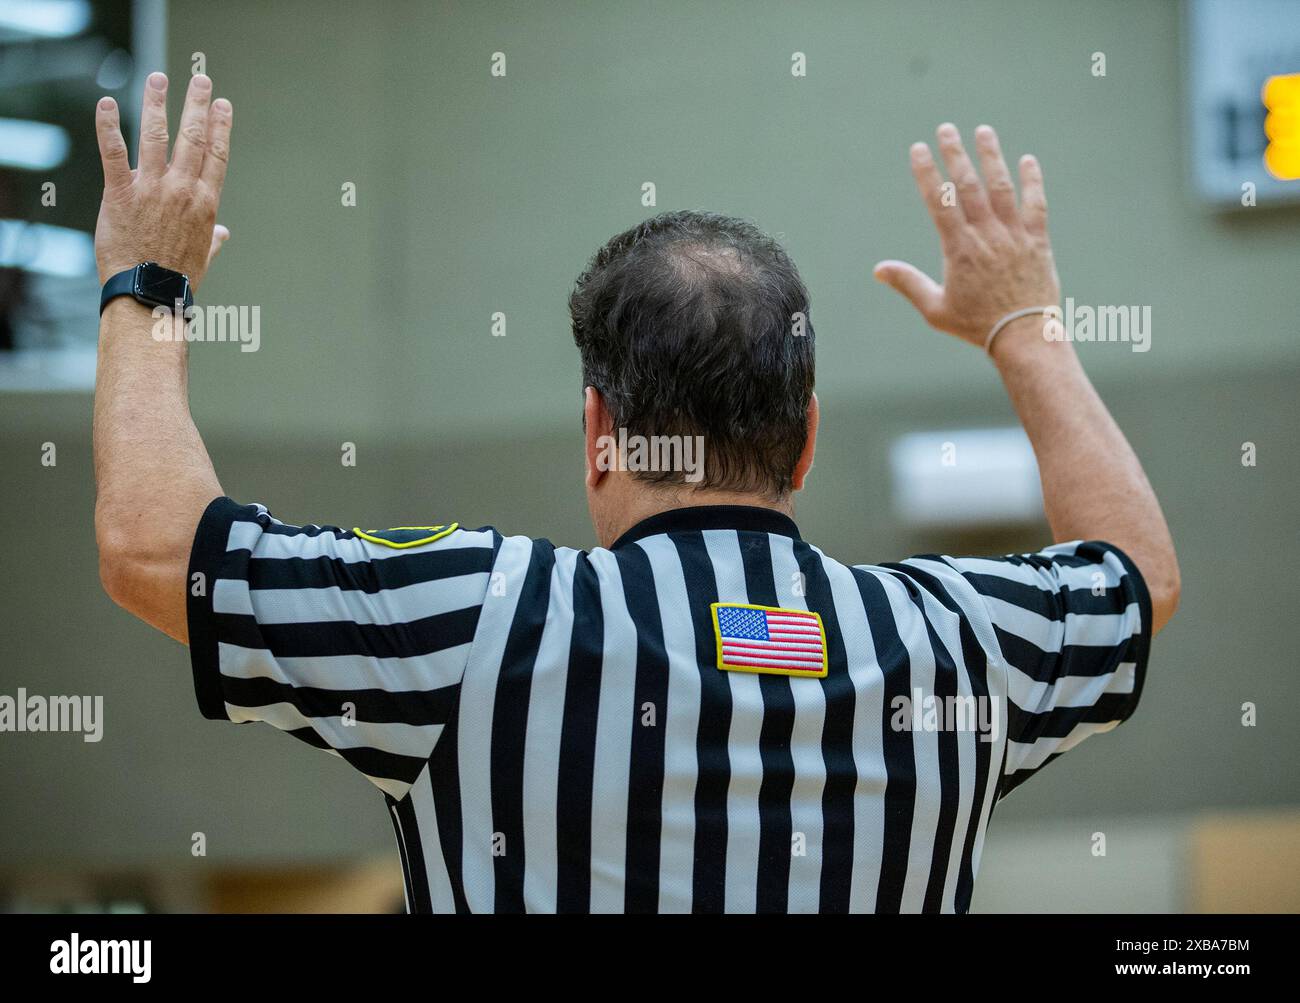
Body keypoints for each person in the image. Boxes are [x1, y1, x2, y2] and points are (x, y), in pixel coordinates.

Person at [92, 72, 1179, 913]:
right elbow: (1137, 577)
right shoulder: (959, 645)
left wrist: (148, 283)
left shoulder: (474, 620)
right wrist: (1023, 324)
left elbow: (152, 546)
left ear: (599, 434)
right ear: (802, 440)